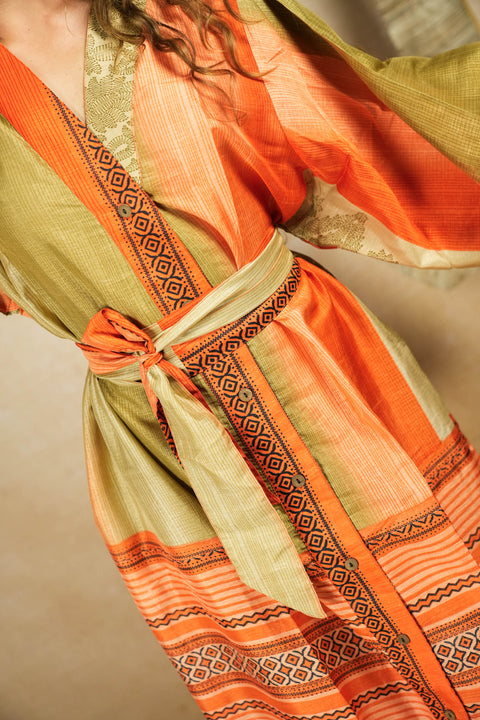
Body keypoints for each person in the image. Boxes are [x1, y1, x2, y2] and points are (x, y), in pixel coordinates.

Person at [1, 1, 480, 718]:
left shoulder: (193, 14)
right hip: (161, 440)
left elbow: (380, 124)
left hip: (321, 366)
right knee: (311, 679)